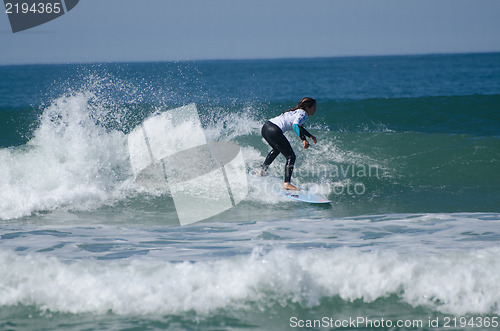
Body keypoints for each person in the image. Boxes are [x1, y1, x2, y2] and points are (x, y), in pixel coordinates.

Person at [259, 97, 317, 191]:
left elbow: (299, 126)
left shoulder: (297, 111)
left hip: (266, 127)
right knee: (291, 157)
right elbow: (295, 125)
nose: (315, 110)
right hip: (274, 130)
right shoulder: (303, 113)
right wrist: (303, 139)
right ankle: (287, 184)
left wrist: (310, 136)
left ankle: (262, 170)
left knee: (277, 149)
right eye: (314, 107)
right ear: (307, 107)